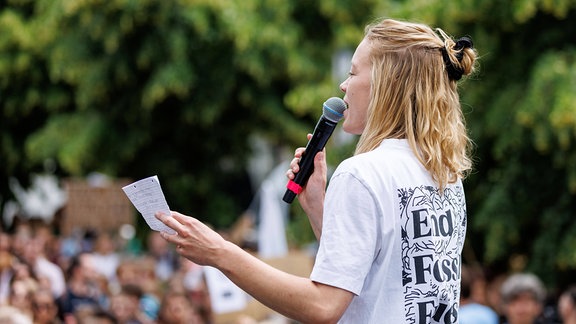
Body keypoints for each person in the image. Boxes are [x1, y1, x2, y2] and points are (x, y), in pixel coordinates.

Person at [155, 17, 477, 323]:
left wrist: (220, 253)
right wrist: (320, 210)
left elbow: (324, 306)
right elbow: (378, 275)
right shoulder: (445, 173)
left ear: (384, 83)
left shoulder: (362, 174)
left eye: (352, 73)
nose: (343, 85)